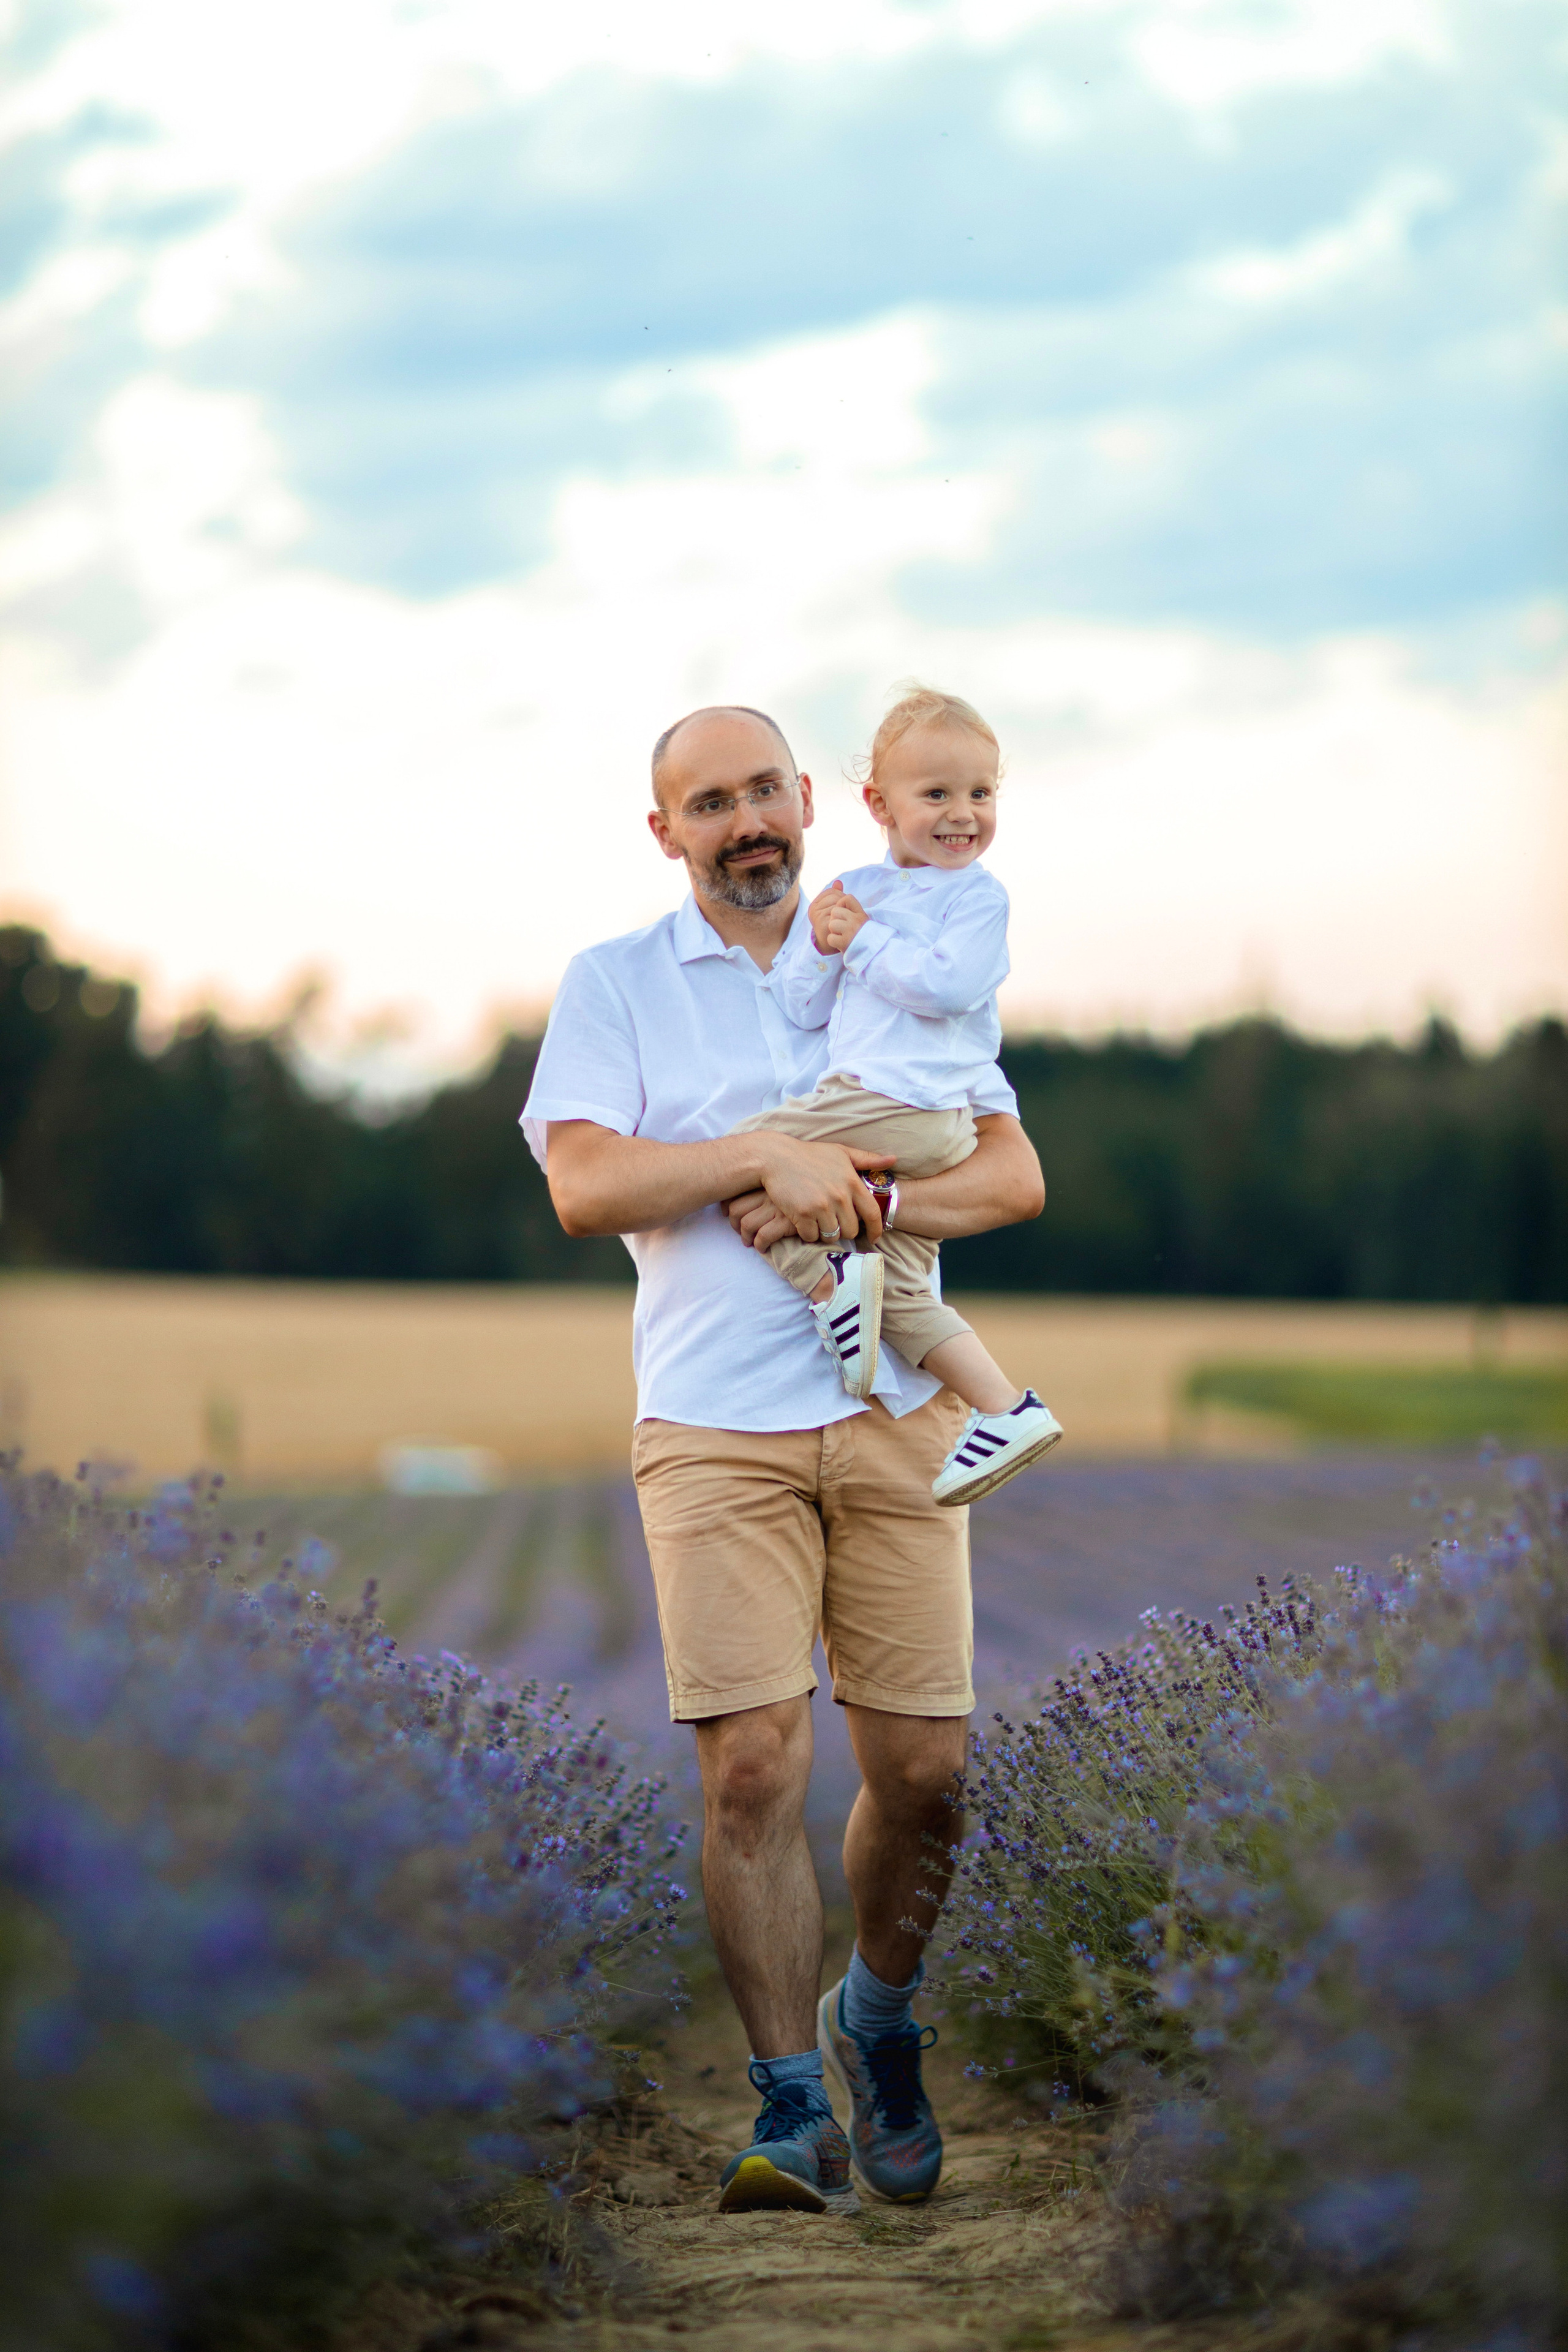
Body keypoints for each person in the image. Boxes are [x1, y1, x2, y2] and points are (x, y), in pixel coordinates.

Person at [520, 704, 1045, 2217]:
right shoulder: (615, 985)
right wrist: (763, 1153)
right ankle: (786, 2107)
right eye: (708, 804)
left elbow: (1009, 1174)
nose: (744, 822)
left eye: (763, 791)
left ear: (810, 798)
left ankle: (874, 2020)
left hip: (890, 1420)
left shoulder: (882, 930)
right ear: (665, 831)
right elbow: (584, 1183)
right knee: (750, 1764)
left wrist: (865, 1195)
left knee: (928, 1777)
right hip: (711, 1430)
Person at [725, 684, 1063, 1507]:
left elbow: (949, 987)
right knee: (904, 1293)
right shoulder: (855, 887)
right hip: (896, 1114)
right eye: (938, 794)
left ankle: (826, 1276)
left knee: (740, 1158)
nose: (964, 815)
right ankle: (1003, 1407)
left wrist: (865, 939)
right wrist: (821, 942)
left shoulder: (977, 897)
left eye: (981, 793)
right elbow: (806, 1005)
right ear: (879, 803)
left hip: (901, 1105)